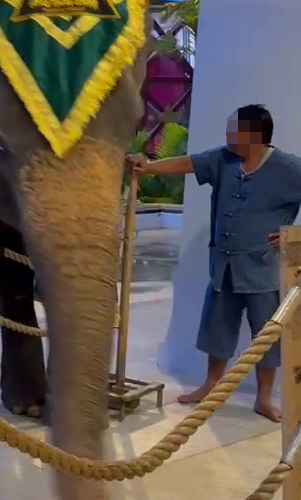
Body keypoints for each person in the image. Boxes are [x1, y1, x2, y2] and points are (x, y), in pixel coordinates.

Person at [126, 104, 301, 422]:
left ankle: (263, 398)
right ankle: (210, 385)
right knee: (217, 329)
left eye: (234, 129)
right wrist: (148, 168)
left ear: (255, 135)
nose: (228, 134)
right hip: (224, 267)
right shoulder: (223, 158)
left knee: (267, 335)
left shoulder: (289, 168)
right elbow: (188, 163)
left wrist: (295, 236)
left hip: (263, 270)